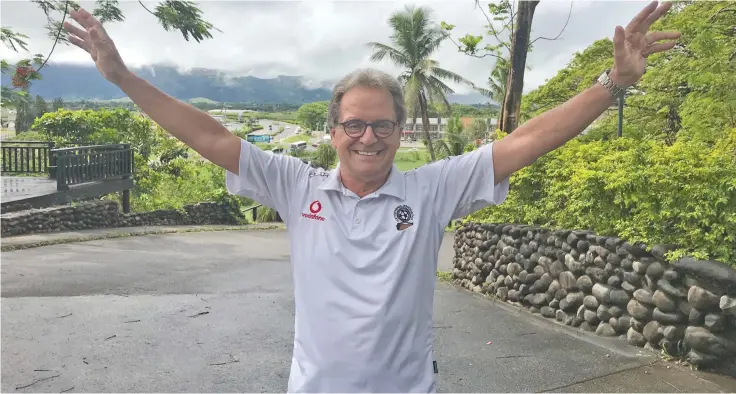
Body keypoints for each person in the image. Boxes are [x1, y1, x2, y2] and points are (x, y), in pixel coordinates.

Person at [63, 2, 679, 392]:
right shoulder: (296, 183)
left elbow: (528, 142)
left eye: (383, 125)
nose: (368, 137)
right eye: (354, 124)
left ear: (399, 130)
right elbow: (209, 134)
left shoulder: (431, 188)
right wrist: (121, 78)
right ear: (333, 130)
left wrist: (612, 83)